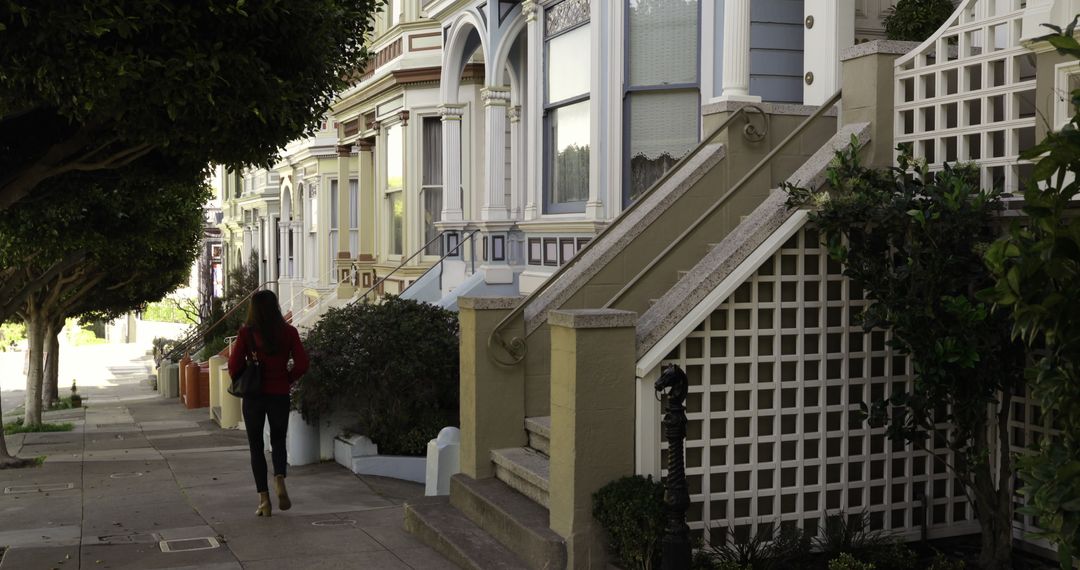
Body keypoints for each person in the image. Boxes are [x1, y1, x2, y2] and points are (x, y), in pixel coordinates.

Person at [228, 290, 309, 517]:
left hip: (254, 396)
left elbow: (234, 367)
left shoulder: (246, 334)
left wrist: (245, 376)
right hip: (279, 394)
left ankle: (264, 501)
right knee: (278, 441)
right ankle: (280, 478)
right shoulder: (289, 332)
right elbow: (302, 363)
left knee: (256, 447)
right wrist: (287, 379)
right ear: (276, 307)